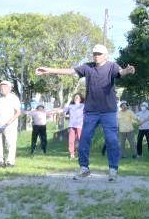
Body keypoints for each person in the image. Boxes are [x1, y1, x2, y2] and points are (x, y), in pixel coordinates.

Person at [36, 44, 136, 181]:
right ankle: (84, 168)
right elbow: (70, 71)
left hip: (108, 111)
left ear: (105, 55)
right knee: (84, 139)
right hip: (91, 112)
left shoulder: (112, 66)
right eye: (94, 53)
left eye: (99, 53)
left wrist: (127, 70)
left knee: (112, 140)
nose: (96, 56)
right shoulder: (87, 67)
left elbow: (121, 72)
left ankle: (113, 169)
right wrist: (49, 70)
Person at [63, 93, 85, 160]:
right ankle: (72, 154)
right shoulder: (70, 106)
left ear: (80, 99)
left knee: (80, 140)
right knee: (71, 140)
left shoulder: (83, 105)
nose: (76, 98)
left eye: (78, 97)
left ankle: (80, 153)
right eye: (75, 97)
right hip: (71, 125)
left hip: (79, 125)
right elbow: (63, 111)